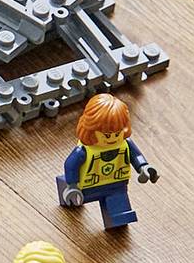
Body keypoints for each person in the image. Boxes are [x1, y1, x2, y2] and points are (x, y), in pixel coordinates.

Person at [56, 92, 154, 233]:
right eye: (107, 135)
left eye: (117, 133)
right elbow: (70, 165)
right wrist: (72, 185)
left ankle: (117, 219)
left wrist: (144, 167)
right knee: (73, 199)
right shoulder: (83, 151)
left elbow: (136, 157)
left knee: (120, 212)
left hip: (116, 186)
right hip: (86, 188)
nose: (113, 138)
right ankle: (68, 193)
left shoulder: (125, 145)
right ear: (90, 130)